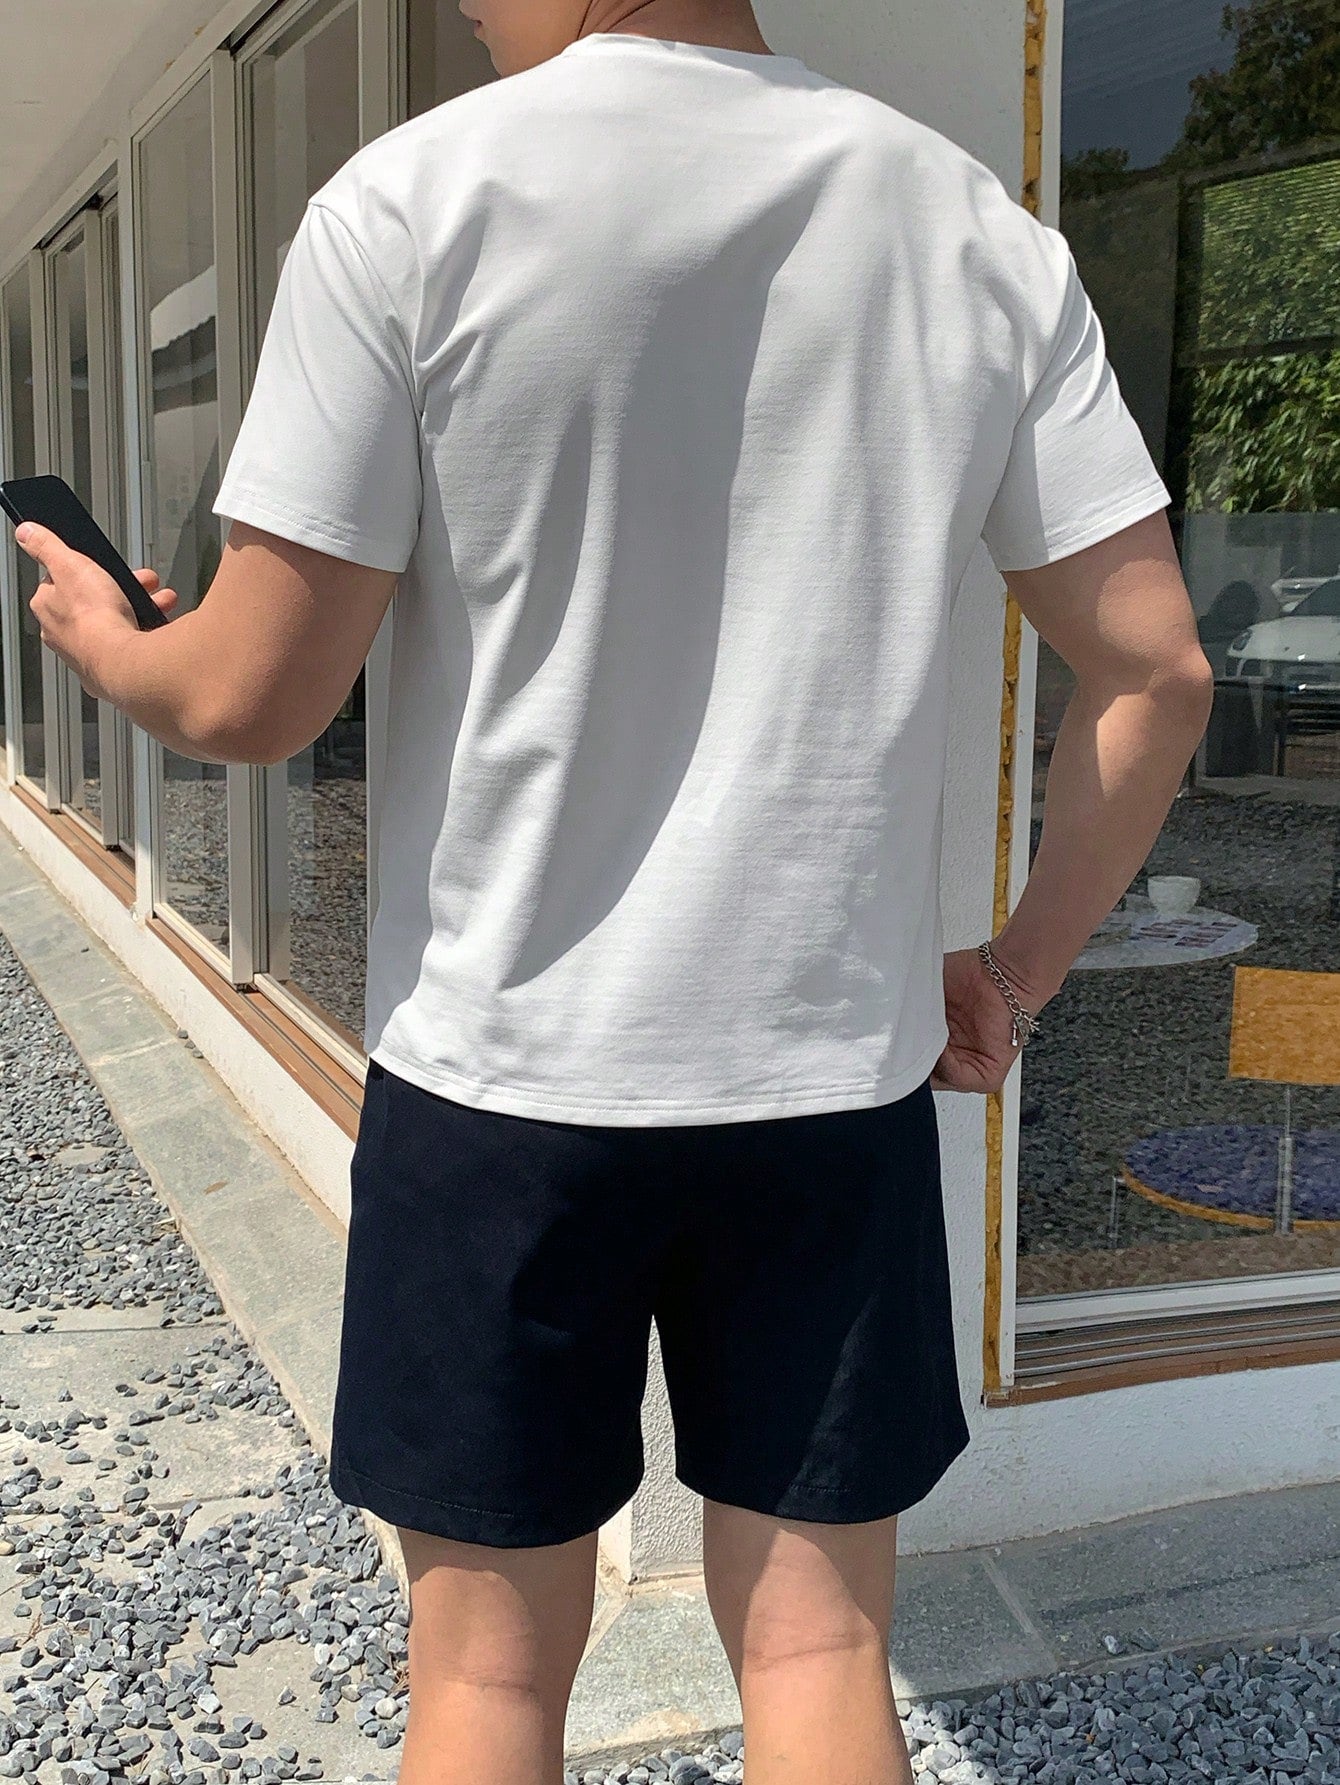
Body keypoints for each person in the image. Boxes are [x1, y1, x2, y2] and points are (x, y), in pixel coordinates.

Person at [15, 0, 1214, 1779]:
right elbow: (1157, 675)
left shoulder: (413, 204)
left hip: (502, 1084)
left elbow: (252, 697)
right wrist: (1015, 971)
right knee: (820, 1651)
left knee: (488, 1688)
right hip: (830, 1083)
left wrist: (106, 639)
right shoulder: (971, 226)